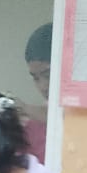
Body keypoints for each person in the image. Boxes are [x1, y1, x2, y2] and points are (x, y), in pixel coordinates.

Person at [21, 23, 52, 164]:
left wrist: (23, 108)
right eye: (36, 78)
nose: (43, 86)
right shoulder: (31, 127)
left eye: (48, 75)